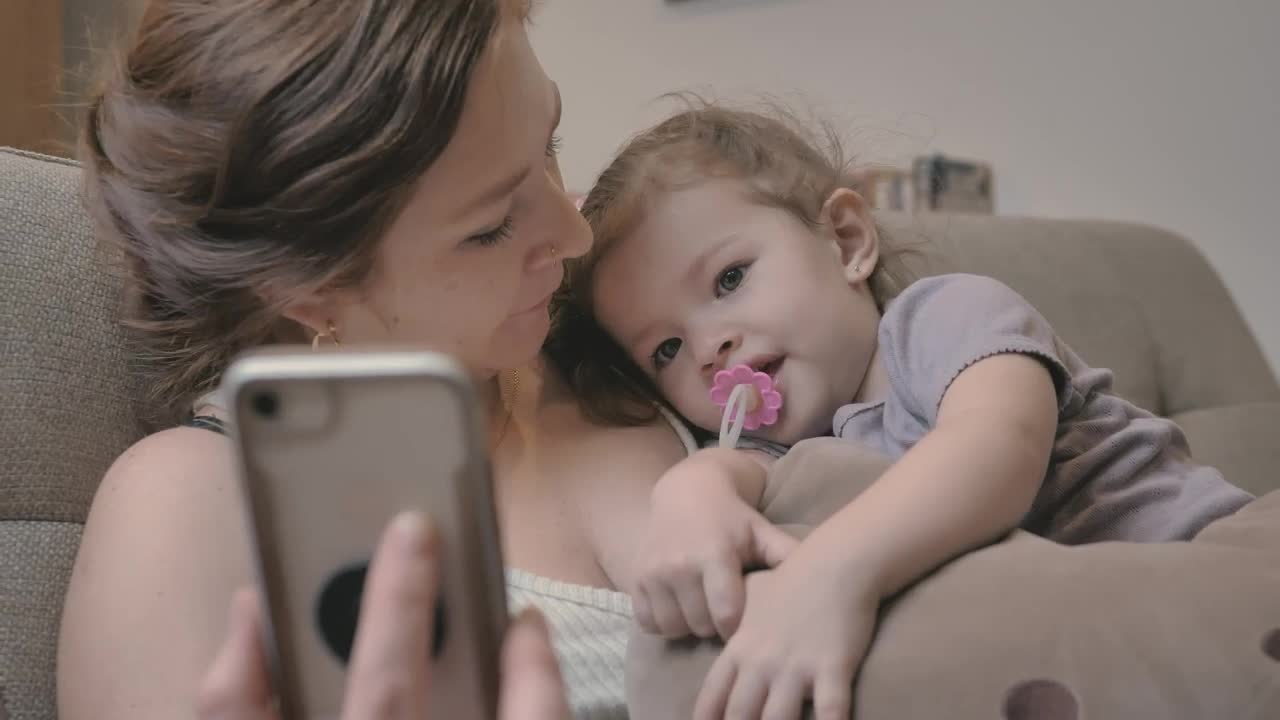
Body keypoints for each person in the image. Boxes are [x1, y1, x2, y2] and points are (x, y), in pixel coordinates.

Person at [58, 2, 692, 718]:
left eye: (551, 141)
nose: (576, 234)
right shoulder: (187, 507)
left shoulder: (631, 327)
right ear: (312, 291)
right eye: (492, 227)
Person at [547, 102, 1256, 719]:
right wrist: (689, 494)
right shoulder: (780, 451)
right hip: (1082, 643)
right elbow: (732, 478)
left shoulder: (943, 318)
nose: (708, 345)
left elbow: (996, 449)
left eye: (730, 278)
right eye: (666, 348)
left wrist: (832, 575)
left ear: (847, 241)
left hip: (1206, 558)